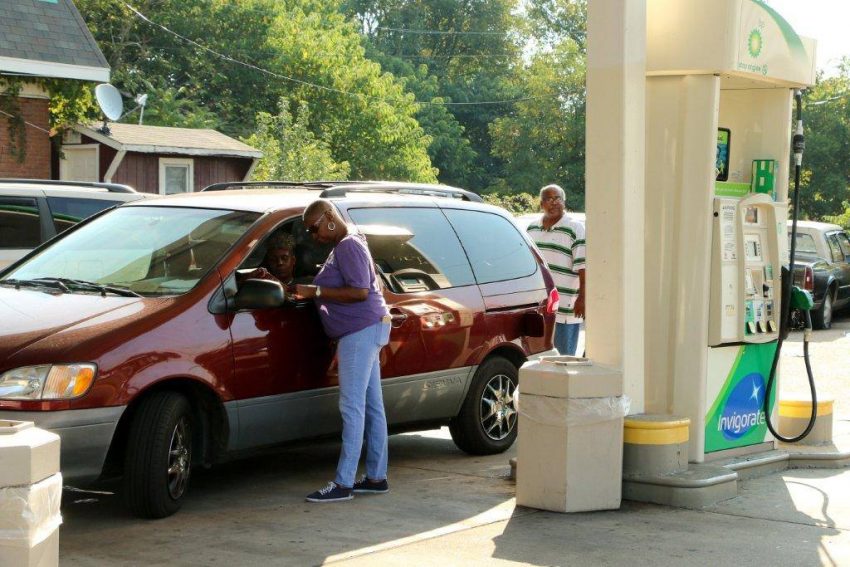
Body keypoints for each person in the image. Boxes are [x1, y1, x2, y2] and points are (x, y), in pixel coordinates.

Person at [295, 199, 391, 503]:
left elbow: (360, 290)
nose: (313, 235)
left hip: (359, 332)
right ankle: (376, 477)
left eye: (314, 228)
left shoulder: (348, 244)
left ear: (328, 218)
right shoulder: (349, 243)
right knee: (372, 407)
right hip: (368, 328)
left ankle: (343, 482)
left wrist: (316, 291)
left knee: (352, 407)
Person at [526, 184, 586, 356]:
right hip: (540, 307)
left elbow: (583, 266)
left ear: (564, 202)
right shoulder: (532, 228)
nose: (553, 203)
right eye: (548, 199)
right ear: (541, 204)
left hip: (566, 307)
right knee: (540, 358)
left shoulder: (575, 228)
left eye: (557, 198)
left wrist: (582, 297)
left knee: (563, 358)